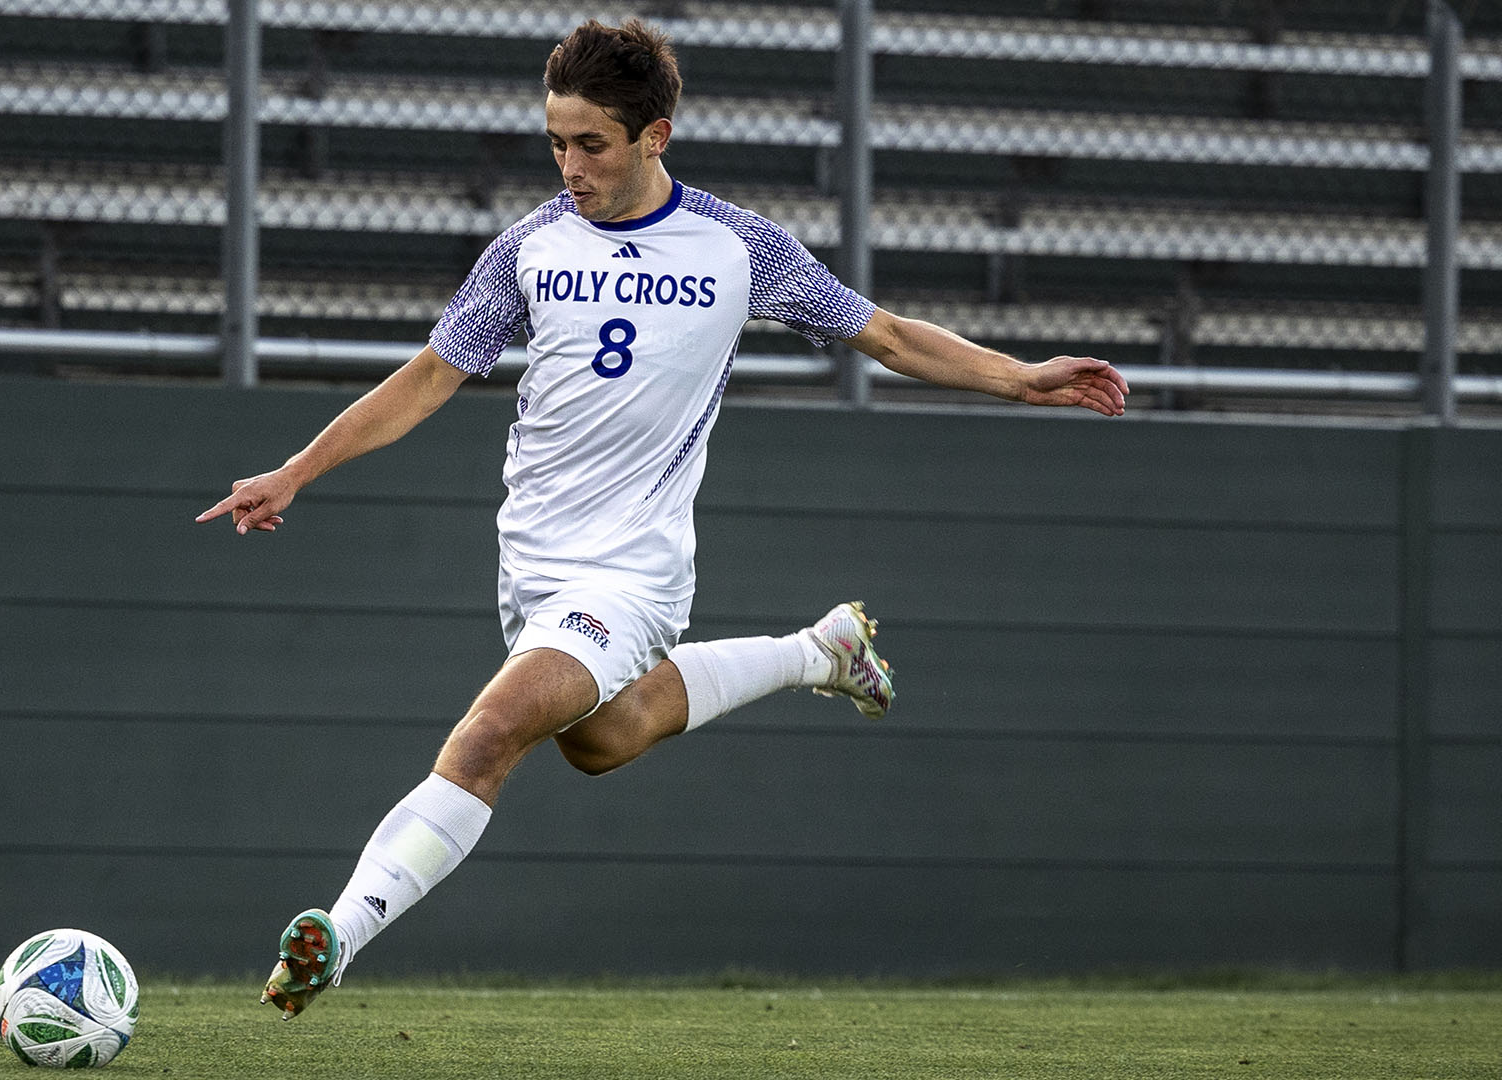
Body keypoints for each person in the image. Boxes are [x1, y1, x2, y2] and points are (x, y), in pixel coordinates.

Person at [197, 18, 1129, 1021]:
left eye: (590, 143)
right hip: (535, 570)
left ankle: (338, 933)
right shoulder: (529, 250)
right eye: (555, 141)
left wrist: (1021, 379)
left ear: (655, 137)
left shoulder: (737, 249)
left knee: (489, 735)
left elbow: (889, 335)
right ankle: (820, 652)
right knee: (605, 739)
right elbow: (430, 378)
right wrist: (299, 469)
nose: (569, 165)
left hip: (632, 573)